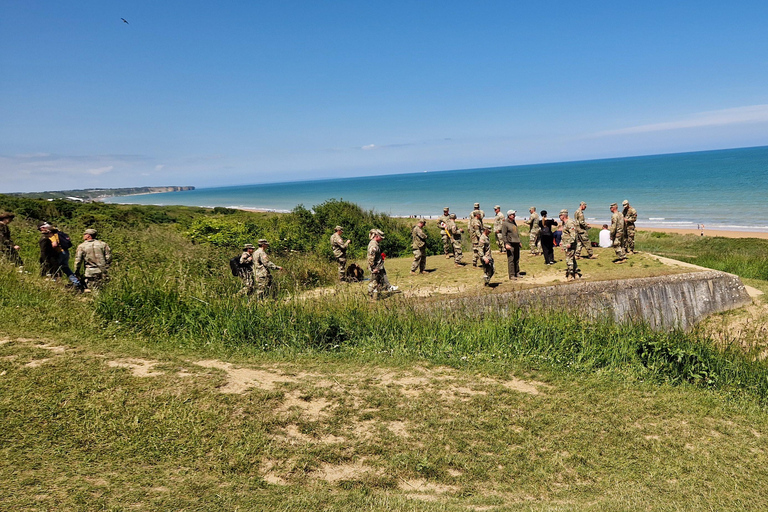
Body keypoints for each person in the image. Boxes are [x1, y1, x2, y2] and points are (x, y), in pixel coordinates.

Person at [367, 229, 398, 299]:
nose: (382, 239)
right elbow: (371, 258)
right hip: (375, 267)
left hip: (378, 266)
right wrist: (373, 268)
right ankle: (371, 296)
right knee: (373, 282)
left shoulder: (375, 244)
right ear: (377, 236)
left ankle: (385, 289)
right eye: (381, 237)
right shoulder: (373, 245)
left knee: (381, 279)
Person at [559, 209, 580, 281]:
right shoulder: (564, 223)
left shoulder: (570, 223)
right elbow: (564, 233)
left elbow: (573, 234)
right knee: (572, 258)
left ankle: (571, 275)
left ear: (564, 216)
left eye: (560, 215)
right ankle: (575, 272)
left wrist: (569, 243)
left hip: (570, 244)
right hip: (566, 243)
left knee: (569, 259)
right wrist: (562, 241)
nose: (559, 217)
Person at [501, 210, 522, 279]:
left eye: (514, 214)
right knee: (511, 259)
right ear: (509, 216)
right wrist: (506, 244)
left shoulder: (514, 222)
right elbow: (504, 235)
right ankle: (512, 275)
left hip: (516, 243)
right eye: (513, 214)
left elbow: (516, 233)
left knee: (517, 259)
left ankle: (517, 272)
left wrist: (519, 241)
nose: (514, 215)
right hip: (510, 244)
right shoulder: (505, 224)